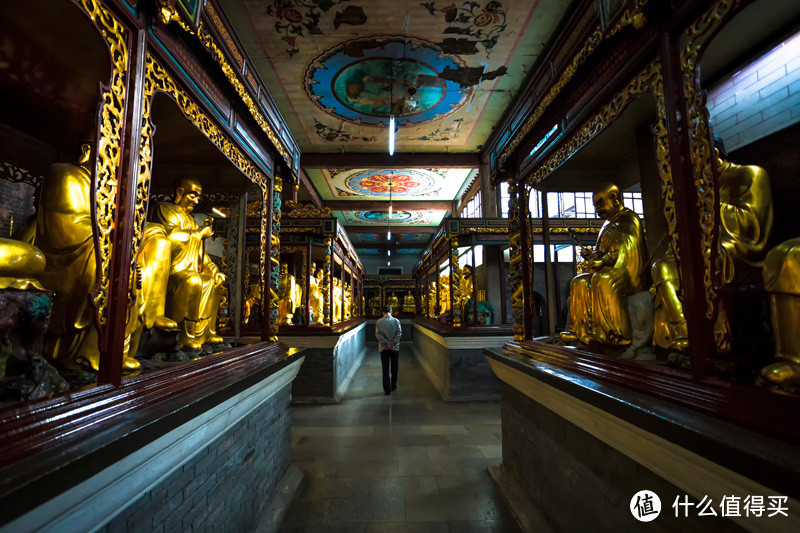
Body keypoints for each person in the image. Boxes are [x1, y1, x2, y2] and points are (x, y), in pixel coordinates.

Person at [560, 183, 647, 347]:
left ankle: (614, 334)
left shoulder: (629, 219)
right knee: (578, 282)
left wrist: (604, 260)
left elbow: (627, 250)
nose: (597, 210)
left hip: (625, 271)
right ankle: (580, 331)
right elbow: (602, 252)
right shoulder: (606, 226)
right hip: (608, 268)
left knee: (602, 281)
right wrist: (593, 256)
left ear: (614, 198)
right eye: (595, 206)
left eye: (600, 203)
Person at [156, 177, 226, 350]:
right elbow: (169, 239)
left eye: (198, 197)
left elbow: (200, 255)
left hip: (189, 269)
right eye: (193, 195)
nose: (196, 200)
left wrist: (213, 269)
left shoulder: (191, 220)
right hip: (170, 270)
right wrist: (198, 234)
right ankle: (183, 336)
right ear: (180, 193)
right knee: (192, 281)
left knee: (212, 282)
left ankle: (204, 333)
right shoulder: (164, 210)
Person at [376, 305, 402, 395]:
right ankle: (393, 386)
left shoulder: (379, 322)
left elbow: (378, 334)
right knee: (394, 367)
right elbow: (399, 333)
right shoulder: (396, 321)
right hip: (395, 347)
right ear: (391, 312)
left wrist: (386, 343)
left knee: (385, 368)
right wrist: (392, 343)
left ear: (382, 312)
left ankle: (387, 389)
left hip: (384, 347)